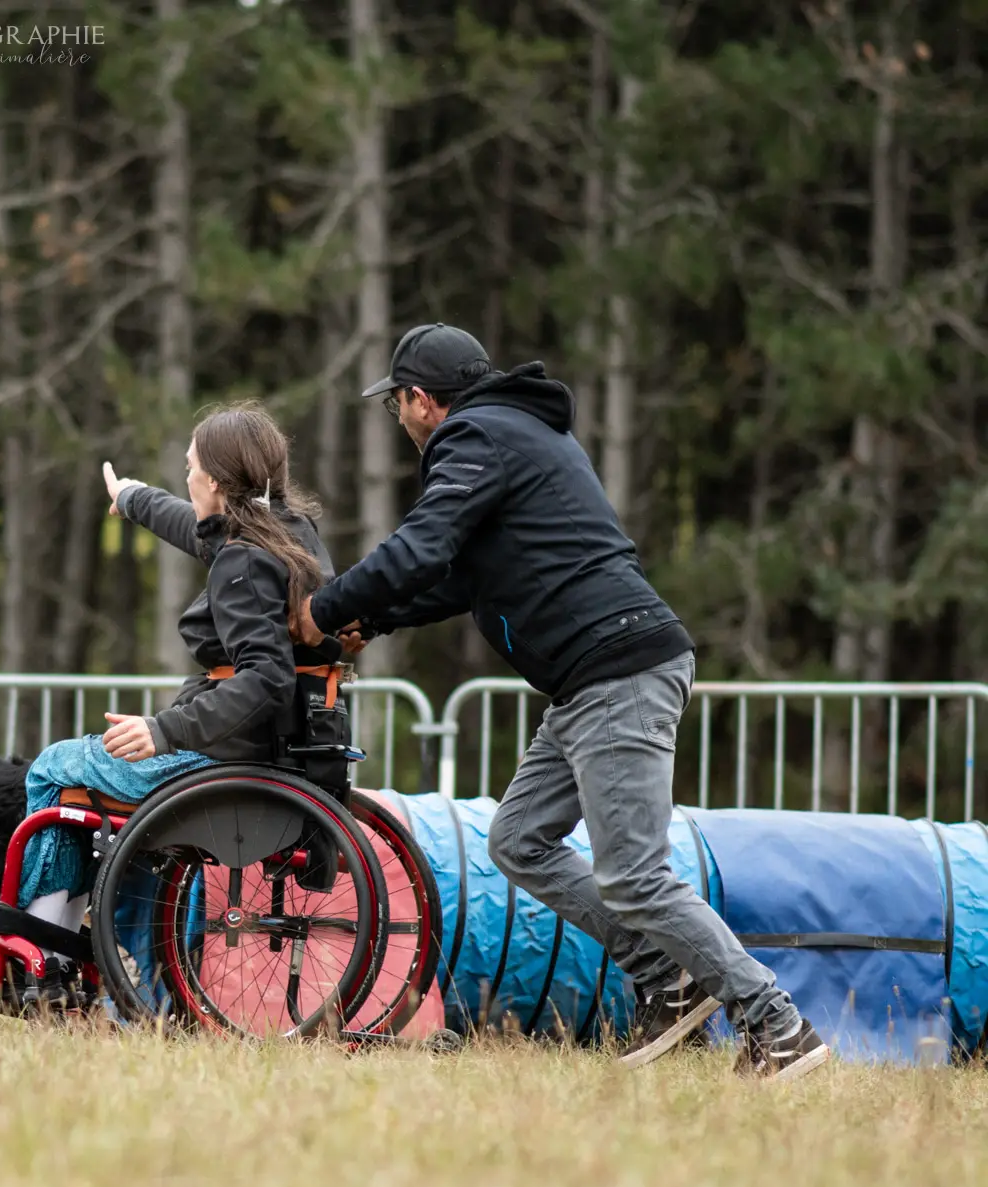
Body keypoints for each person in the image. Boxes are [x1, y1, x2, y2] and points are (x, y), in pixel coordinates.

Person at [298, 322, 828, 1081]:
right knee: (518, 840)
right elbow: (456, 576)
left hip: (618, 671)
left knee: (635, 873)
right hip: (589, 680)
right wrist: (371, 617)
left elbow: (419, 546)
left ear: (419, 400)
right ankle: (668, 977)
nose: (402, 420)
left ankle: (777, 1023)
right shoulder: (510, 434)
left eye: (398, 405)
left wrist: (323, 607)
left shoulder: (474, 438)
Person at [0, 400, 346, 1012]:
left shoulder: (241, 561)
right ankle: (85, 964)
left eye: (189, 468)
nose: (185, 477)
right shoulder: (284, 534)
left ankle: (40, 957)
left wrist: (163, 730)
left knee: (54, 769)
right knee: (81, 794)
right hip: (287, 753)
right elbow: (195, 528)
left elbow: (264, 679)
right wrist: (131, 497)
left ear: (213, 481)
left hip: (223, 761)